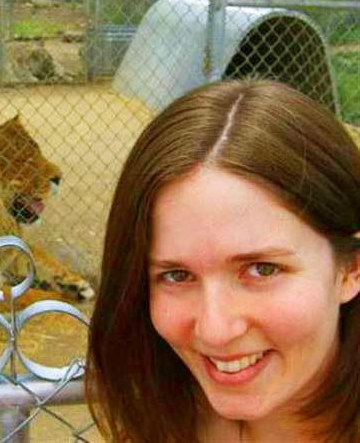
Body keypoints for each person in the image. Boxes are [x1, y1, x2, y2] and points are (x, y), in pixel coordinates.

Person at [86, 79, 360, 443]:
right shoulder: (154, 426)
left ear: (350, 269)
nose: (215, 330)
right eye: (177, 275)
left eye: (262, 269)